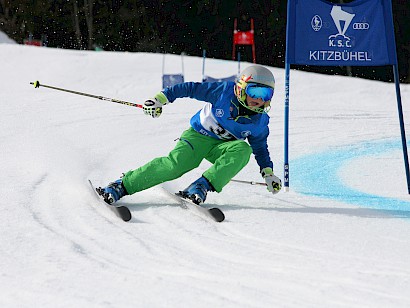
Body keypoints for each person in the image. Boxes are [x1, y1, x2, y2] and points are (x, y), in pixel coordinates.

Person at [99, 65, 282, 206]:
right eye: (255, 92)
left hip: (221, 148)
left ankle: (201, 185)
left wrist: (268, 173)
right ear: (241, 88)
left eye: (266, 93)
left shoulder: (260, 121)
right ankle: (122, 185)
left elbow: (260, 148)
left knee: (243, 149)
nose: (259, 99)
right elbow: (190, 88)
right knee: (175, 166)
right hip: (198, 137)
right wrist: (160, 99)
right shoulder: (223, 93)